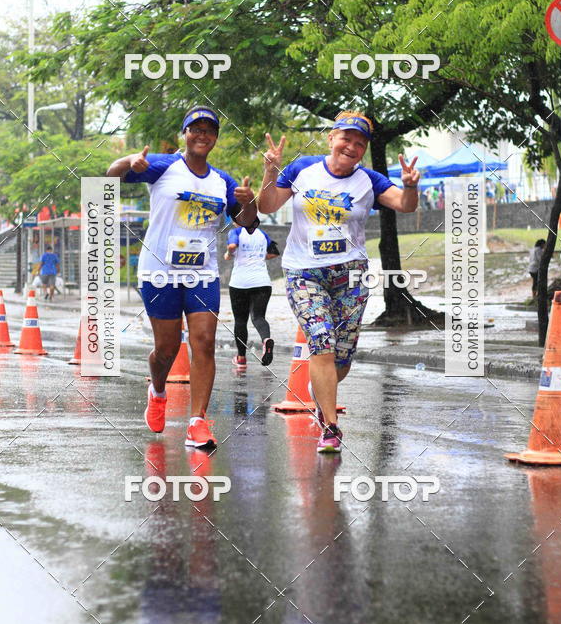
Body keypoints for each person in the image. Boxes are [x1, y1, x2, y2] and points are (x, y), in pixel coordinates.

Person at [257, 110, 419, 454]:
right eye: (346, 138)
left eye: (360, 143)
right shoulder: (303, 170)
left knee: (341, 360)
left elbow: (404, 206)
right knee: (321, 341)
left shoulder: (369, 181)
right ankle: (330, 426)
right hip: (305, 271)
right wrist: (270, 171)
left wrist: (410, 186)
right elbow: (267, 205)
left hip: (351, 276)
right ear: (331, 138)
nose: (352, 146)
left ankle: (322, 391)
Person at [106, 106, 258, 448]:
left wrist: (250, 203)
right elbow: (110, 174)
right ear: (184, 134)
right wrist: (130, 162)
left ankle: (197, 422)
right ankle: (157, 391)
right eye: (196, 129)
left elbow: (248, 222)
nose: (202, 135)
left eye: (209, 130)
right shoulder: (163, 165)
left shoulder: (223, 182)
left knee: (203, 342)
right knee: (167, 349)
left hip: (202, 273)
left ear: (215, 138)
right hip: (159, 272)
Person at [224, 221, 280, 367]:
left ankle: (241, 358)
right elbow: (274, 253)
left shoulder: (235, 232)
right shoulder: (262, 234)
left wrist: (229, 254)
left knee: (240, 321)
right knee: (258, 317)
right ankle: (266, 340)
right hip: (262, 282)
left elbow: (232, 246)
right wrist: (259, 257)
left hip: (239, 284)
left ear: (237, 220)